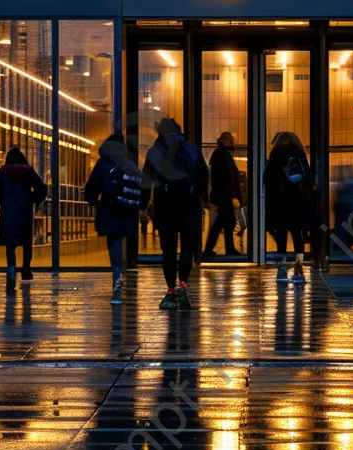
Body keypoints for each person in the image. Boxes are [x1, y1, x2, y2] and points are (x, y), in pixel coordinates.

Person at [141, 118, 209, 311]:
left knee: (168, 251)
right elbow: (203, 175)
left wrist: (143, 205)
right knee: (187, 248)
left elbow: (147, 180)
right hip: (189, 207)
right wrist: (203, 197)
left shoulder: (155, 151)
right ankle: (184, 285)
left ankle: (170, 291)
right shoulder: (192, 150)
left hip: (165, 207)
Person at [84, 133, 143, 305]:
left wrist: (93, 201)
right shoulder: (130, 163)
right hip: (128, 212)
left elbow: (91, 188)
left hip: (111, 211)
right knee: (123, 243)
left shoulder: (103, 164)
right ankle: (122, 273)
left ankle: (117, 280)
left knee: (115, 246)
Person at [0, 146, 47, 297]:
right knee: (27, 242)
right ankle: (26, 269)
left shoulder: (1, 173)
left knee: (10, 244)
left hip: (7, 211)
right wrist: (33, 199)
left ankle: (12, 269)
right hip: (24, 211)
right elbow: (41, 188)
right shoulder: (28, 172)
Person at [264, 131, 314, 286]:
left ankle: (281, 268)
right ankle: (299, 267)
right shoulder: (299, 153)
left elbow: (267, 178)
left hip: (281, 203)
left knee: (282, 237)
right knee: (298, 236)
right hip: (298, 202)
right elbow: (308, 176)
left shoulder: (276, 154)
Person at [203, 131, 243, 260]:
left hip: (222, 194)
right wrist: (232, 194)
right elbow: (227, 177)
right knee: (225, 222)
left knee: (224, 222)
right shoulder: (222, 154)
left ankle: (215, 248)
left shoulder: (220, 154)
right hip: (224, 195)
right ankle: (222, 248)